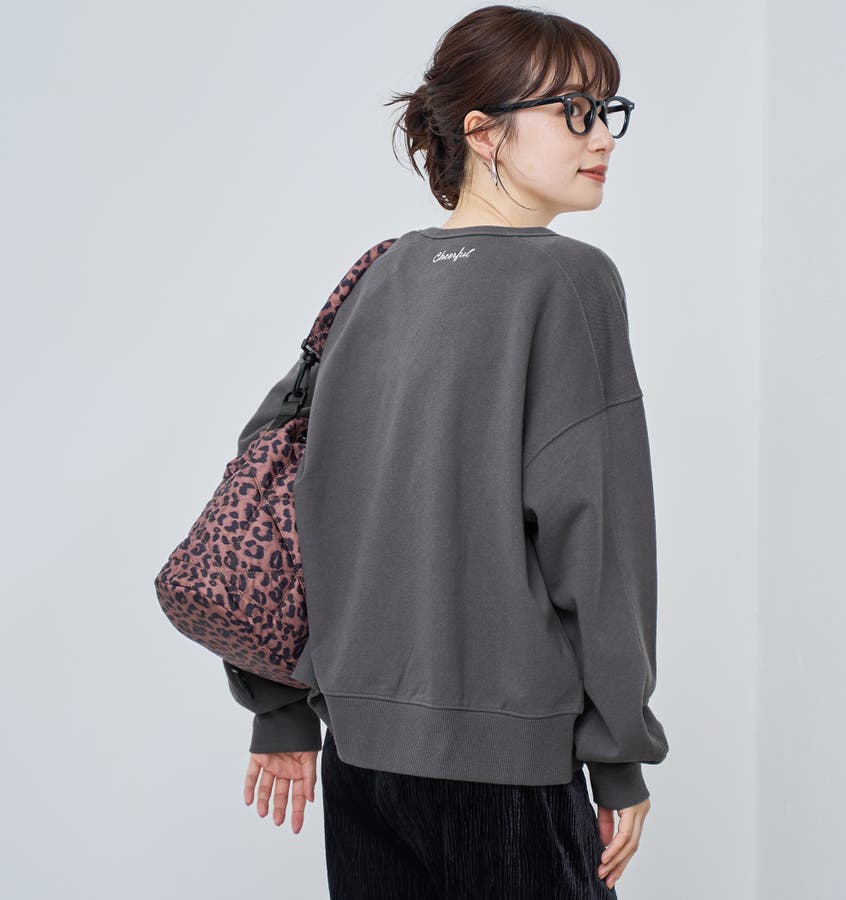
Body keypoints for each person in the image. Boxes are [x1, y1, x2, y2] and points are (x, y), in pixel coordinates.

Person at [222, 5, 669, 898]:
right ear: (484, 132)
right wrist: (618, 755)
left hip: (361, 758)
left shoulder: (376, 275)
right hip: (507, 761)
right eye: (574, 111)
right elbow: (596, 537)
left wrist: (279, 706)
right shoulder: (568, 279)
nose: (603, 137)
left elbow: (269, 475)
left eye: (607, 111)